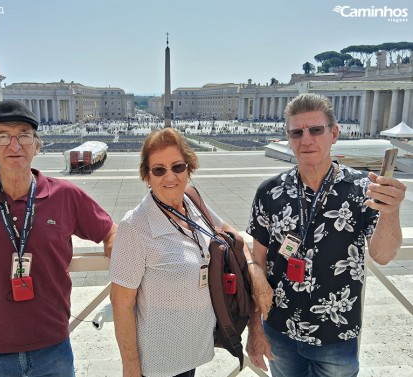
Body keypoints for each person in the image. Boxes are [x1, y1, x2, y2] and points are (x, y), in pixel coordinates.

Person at [0, 99, 118, 376]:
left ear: (37, 145)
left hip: (52, 343)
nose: (14, 146)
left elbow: (109, 230)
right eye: (3, 136)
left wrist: (117, 252)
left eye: (24, 136)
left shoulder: (66, 195)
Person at [246, 93, 406, 377]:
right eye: (297, 132)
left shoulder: (362, 189)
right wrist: (255, 330)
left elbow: (382, 255)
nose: (306, 139)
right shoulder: (268, 192)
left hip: (337, 334)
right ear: (288, 138)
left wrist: (390, 211)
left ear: (334, 133)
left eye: (315, 130)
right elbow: (256, 263)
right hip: (280, 331)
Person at [109, 127, 272, 377]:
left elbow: (230, 233)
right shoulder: (135, 227)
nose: (170, 177)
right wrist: (130, 368)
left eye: (177, 167)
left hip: (194, 350)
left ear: (189, 168)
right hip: (159, 362)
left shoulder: (191, 203)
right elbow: (121, 304)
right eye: (159, 170)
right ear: (147, 176)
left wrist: (254, 271)